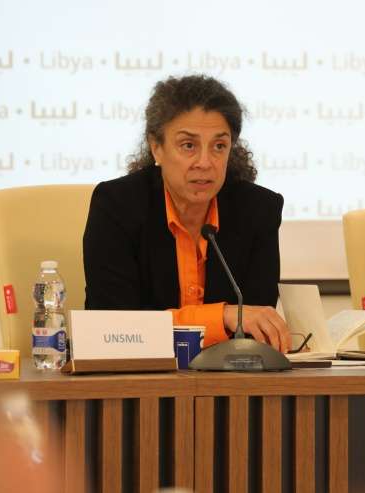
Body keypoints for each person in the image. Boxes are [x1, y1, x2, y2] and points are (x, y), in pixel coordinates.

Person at [84, 75, 291, 353]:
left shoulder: (258, 210)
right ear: (156, 147)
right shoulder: (117, 205)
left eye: (219, 146)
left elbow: (256, 322)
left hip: (228, 376)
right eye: (189, 146)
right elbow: (113, 324)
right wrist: (221, 316)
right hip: (137, 373)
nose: (205, 163)